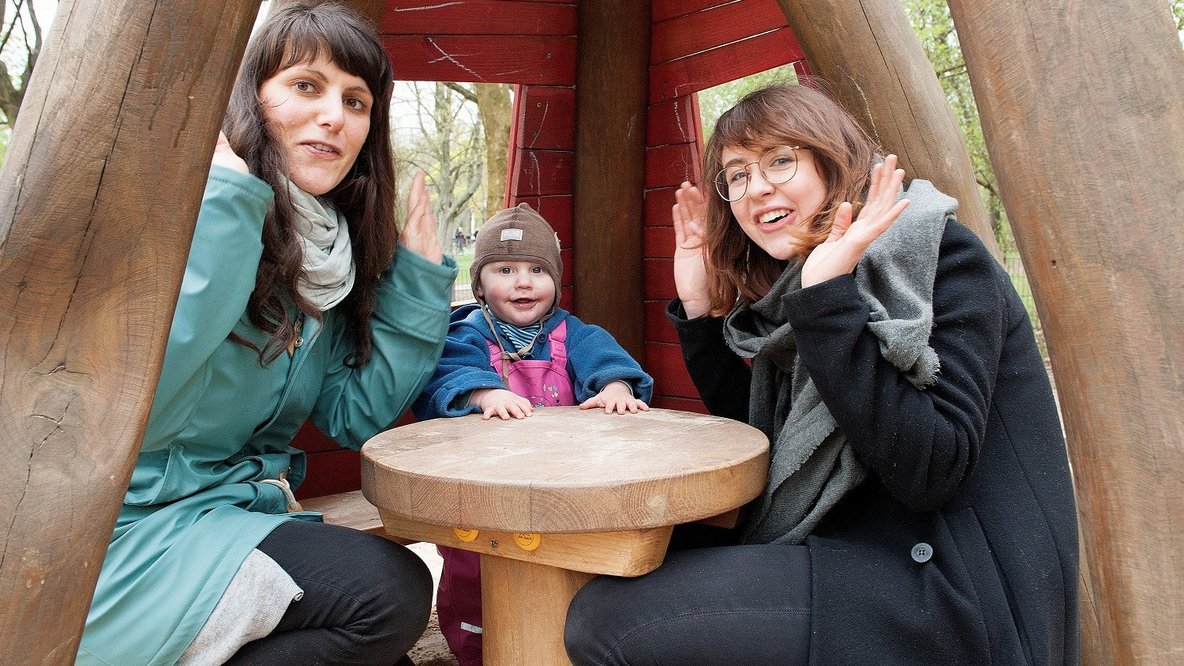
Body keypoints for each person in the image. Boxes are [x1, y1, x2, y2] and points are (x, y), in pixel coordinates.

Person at [563, 83, 1080, 664]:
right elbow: (772, 444)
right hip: (854, 548)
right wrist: (701, 314)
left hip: (957, 590)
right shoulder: (796, 291)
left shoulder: (942, 260)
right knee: (628, 555)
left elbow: (931, 469)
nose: (756, 188)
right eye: (736, 176)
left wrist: (829, 302)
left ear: (833, 160)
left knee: (607, 623)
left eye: (780, 160)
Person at [77, 4, 457, 665]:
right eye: (306, 86)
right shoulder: (180, 213)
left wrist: (419, 281)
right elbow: (141, 415)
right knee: (386, 591)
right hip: (119, 535)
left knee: (383, 637)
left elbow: (353, 414)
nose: (334, 116)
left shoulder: (325, 260)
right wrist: (226, 206)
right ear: (250, 101)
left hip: (229, 517)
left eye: (356, 101)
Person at [413, 202, 654, 664]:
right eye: (505, 269)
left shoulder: (571, 332)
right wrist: (483, 393)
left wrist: (616, 387)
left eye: (538, 270)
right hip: (482, 492)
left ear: (555, 282)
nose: (523, 282)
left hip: (558, 488)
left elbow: (606, 359)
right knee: (474, 576)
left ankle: (564, 643)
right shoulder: (466, 332)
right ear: (480, 283)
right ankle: (478, 649)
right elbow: (444, 373)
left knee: (570, 570)